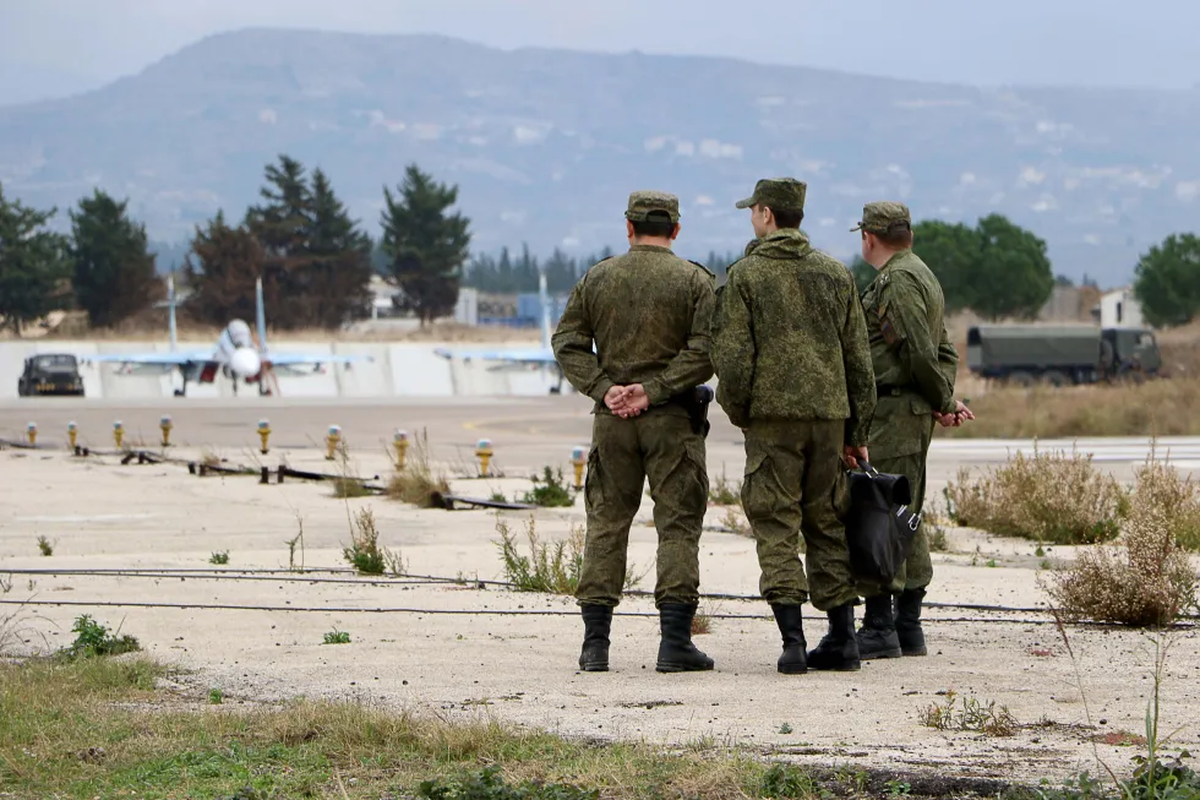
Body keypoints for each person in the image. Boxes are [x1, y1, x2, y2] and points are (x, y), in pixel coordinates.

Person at [711, 178, 877, 673]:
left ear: (765, 214)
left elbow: (734, 359)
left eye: (753, 211)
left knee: (776, 522)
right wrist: (858, 432)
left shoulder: (745, 276)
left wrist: (742, 412)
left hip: (772, 420)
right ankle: (843, 637)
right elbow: (859, 361)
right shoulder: (835, 273)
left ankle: (792, 642)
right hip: (830, 418)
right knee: (827, 520)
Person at [551, 189, 718, 674]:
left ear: (629, 227)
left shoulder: (597, 278)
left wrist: (606, 389)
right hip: (673, 423)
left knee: (606, 523)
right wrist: (656, 388)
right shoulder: (694, 281)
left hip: (613, 425)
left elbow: (568, 341)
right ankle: (674, 643)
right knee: (679, 526)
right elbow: (708, 350)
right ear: (676, 230)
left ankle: (595, 644)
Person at [851, 201, 974, 660]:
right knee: (905, 510)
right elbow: (943, 351)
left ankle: (882, 624)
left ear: (870, 237)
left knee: (881, 510)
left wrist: (940, 400)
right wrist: (939, 399)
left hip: (893, 410)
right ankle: (907, 625)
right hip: (908, 407)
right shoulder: (920, 273)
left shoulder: (897, 280)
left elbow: (920, 351)